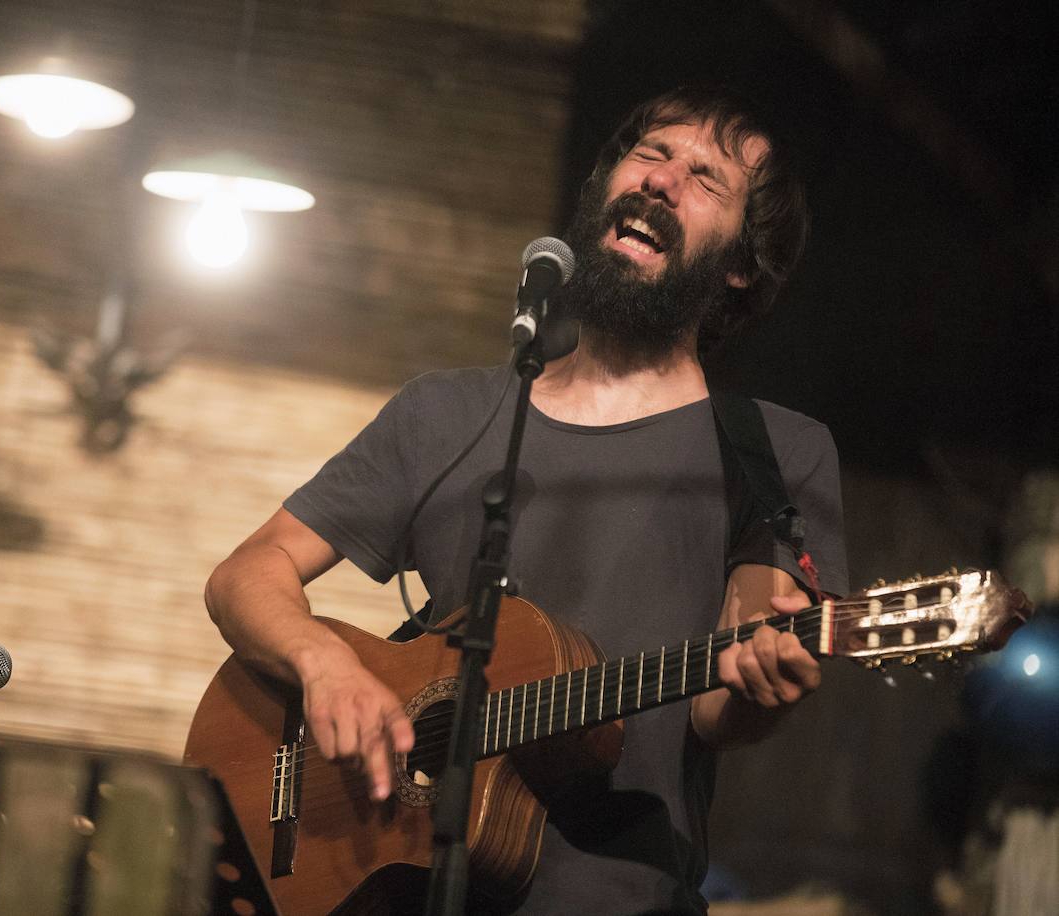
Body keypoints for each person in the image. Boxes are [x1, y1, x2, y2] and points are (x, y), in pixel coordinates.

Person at [204, 86, 849, 914]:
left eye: (706, 178)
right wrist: (323, 665)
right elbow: (245, 576)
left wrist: (762, 687)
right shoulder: (448, 415)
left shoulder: (773, 453)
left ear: (739, 265)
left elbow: (724, 701)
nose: (661, 181)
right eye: (650, 153)